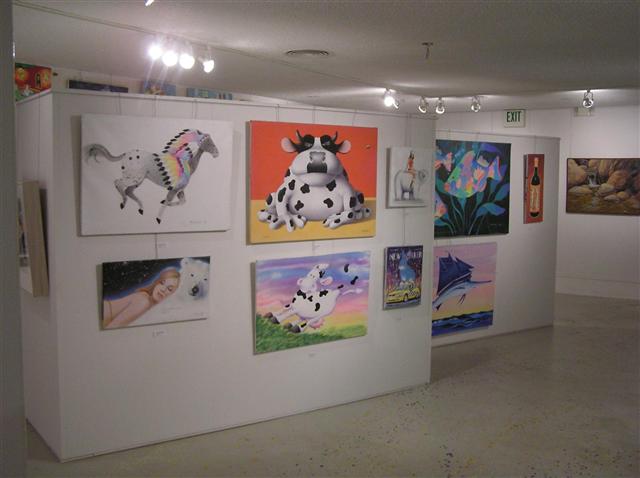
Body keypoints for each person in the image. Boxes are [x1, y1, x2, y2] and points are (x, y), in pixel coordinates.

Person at [102, 268, 180, 329]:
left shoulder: (150, 307)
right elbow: (112, 328)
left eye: (169, 289)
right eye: (162, 283)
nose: (163, 289)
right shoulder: (144, 301)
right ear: (156, 282)